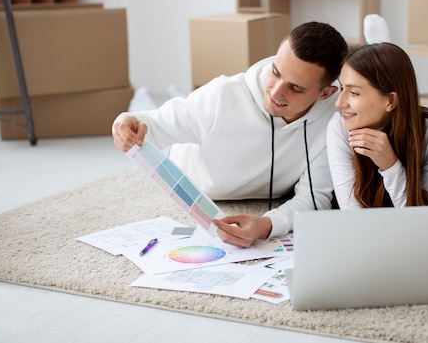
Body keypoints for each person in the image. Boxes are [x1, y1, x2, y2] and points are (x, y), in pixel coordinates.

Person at [112, 22, 348, 247]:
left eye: (295, 88)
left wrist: (267, 224)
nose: (275, 91)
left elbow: (314, 199)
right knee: (144, 110)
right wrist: (125, 122)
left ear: (326, 93)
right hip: (183, 161)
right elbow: (154, 125)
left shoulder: (334, 124)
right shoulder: (221, 96)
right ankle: (144, 97)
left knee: (176, 104)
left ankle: (173, 93)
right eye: (275, 72)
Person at [326, 42, 428, 209]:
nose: (339, 103)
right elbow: (353, 215)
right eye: (342, 88)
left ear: (390, 101)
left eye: (354, 93)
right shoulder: (339, 127)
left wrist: (390, 165)